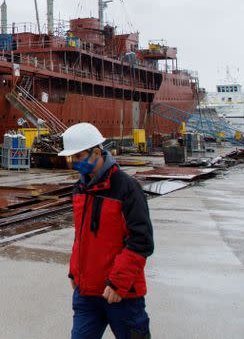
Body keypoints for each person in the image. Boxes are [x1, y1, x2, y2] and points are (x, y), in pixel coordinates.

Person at [59, 122, 154, 339]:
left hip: (122, 294)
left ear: (97, 152)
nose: (74, 163)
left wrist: (118, 283)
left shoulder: (128, 188)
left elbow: (141, 241)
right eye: (71, 158)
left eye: (79, 156)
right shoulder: (80, 189)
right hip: (87, 294)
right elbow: (82, 237)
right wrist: (75, 270)